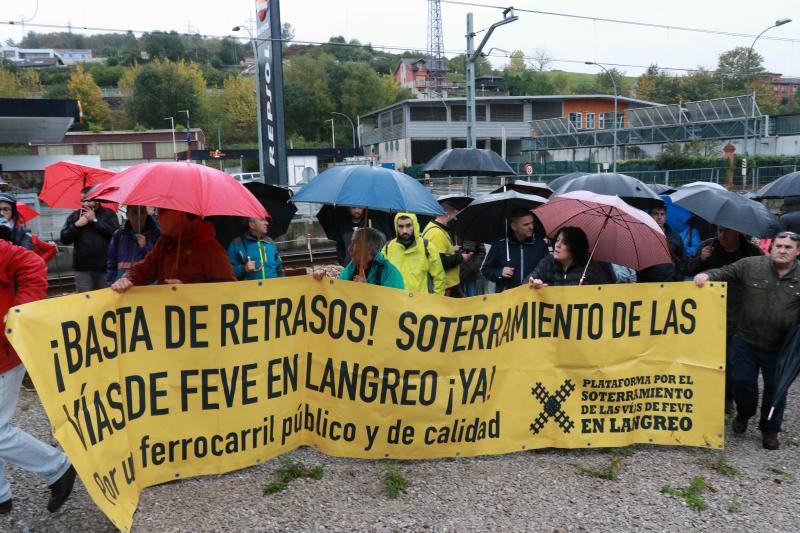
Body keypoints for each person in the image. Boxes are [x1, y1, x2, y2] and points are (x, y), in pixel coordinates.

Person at [694, 231, 800, 450]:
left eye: (788, 247)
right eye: (779, 246)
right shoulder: (751, 265)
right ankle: (744, 413)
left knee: (776, 388)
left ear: (797, 251)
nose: (782, 250)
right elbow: (725, 272)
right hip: (746, 340)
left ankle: (770, 430)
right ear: (771, 247)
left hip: (780, 346)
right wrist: (707, 276)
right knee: (743, 383)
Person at [0, 217, 76, 514]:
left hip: (4, 353)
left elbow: (32, 264)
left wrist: (19, 313)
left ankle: (58, 467)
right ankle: (2, 496)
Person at [685, 226, 763, 413]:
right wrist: (700, 259)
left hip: (739, 312)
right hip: (708, 311)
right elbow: (687, 269)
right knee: (706, 355)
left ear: (739, 232)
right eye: (720, 230)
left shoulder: (752, 252)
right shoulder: (708, 246)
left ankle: (727, 398)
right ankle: (704, 395)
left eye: (727, 231)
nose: (722, 235)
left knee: (732, 359)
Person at [110, 208, 235, 292]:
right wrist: (128, 278)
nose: (157, 216)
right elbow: (147, 268)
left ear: (179, 213)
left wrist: (189, 292)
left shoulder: (210, 248)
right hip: (167, 325)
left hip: (197, 327)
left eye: (162, 211)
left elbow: (229, 290)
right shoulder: (164, 242)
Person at [60, 188, 120, 292]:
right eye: (83, 200)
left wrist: (95, 221)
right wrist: (76, 225)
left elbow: (116, 235)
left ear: (97, 200)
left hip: (105, 267)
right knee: (85, 300)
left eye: (88, 200)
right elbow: (64, 239)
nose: (85, 203)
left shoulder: (109, 214)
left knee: (106, 300)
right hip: (83, 269)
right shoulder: (75, 216)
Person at [481, 209, 548, 293]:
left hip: (533, 296)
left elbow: (548, 269)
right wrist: (500, 272)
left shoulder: (540, 245)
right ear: (513, 226)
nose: (531, 227)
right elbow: (486, 270)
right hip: (507, 299)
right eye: (526, 224)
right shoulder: (500, 245)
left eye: (532, 223)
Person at [315, 227, 404, 288]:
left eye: (355, 244)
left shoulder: (390, 273)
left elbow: (394, 306)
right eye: (351, 242)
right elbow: (338, 292)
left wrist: (367, 290)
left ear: (370, 249)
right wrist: (323, 281)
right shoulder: (351, 267)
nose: (349, 249)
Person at [528, 226, 613, 288]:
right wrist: (535, 285)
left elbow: (608, 291)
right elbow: (526, 283)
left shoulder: (590, 268)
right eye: (557, 240)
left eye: (564, 243)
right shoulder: (547, 262)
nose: (557, 245)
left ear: (575, 247)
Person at [382, 212, 445, 294]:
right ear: (396, 227)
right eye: (401, 226)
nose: (405, 230)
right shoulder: (388, 248)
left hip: (420, 302)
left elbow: (439, 277)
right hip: (395, 301)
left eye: (408, 225)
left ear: (414, 225)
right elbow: (380, 275)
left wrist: (435, 301)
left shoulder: (427, 247)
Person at [422, 201, 472, 297]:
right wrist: (461, 257)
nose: (456, 220)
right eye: (455, 217)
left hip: (447, 284)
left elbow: (435, 253)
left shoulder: (435, 228)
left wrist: (452, 250)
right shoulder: (437, 233)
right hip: (447, 286)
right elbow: (440, 262)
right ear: (447, 215)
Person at [106, 205, 160, 284]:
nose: (139, 216)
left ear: (146, 214)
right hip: (122, 286)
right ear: (128, 215)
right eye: (135, 212)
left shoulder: (156, 234)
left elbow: (158, 262)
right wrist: (112, 283)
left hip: (148, 287)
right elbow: (112, 263)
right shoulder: (119, 235)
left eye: (142, 212)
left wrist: (145, 247)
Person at [227, 215, 284, 281]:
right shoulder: (237, 243)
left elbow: (279, 267)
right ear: (252, 225)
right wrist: (244, 268)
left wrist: (281, 284)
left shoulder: (270, 241)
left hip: (272, 288)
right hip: (250, 289)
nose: (267, 223)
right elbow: (228, 271)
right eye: (262, 220)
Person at [638, 206, 685, 282]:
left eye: (662, 214)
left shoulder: (675, 238)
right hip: (647, 285)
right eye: (656, 214)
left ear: (665, 216)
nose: (659, 217)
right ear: (650, 215)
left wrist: (677, 280)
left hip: (669, 284)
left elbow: (681, 262)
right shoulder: (642, 235)